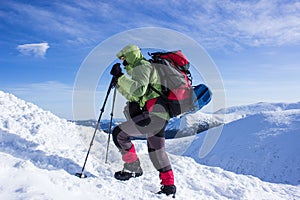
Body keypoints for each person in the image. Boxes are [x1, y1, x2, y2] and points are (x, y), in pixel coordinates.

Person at [110, 44, 176, 196]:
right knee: (157, 152)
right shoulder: (142, 69)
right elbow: (136, 96)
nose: (123, 61)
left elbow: (138, 90)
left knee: (119, 134)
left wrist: (121, 77)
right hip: (160, 114)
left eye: (124, 57)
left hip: (154, 114)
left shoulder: (142, 66)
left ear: (130, 55)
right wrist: (119, 84)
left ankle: (133, 168)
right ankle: (169, 187)